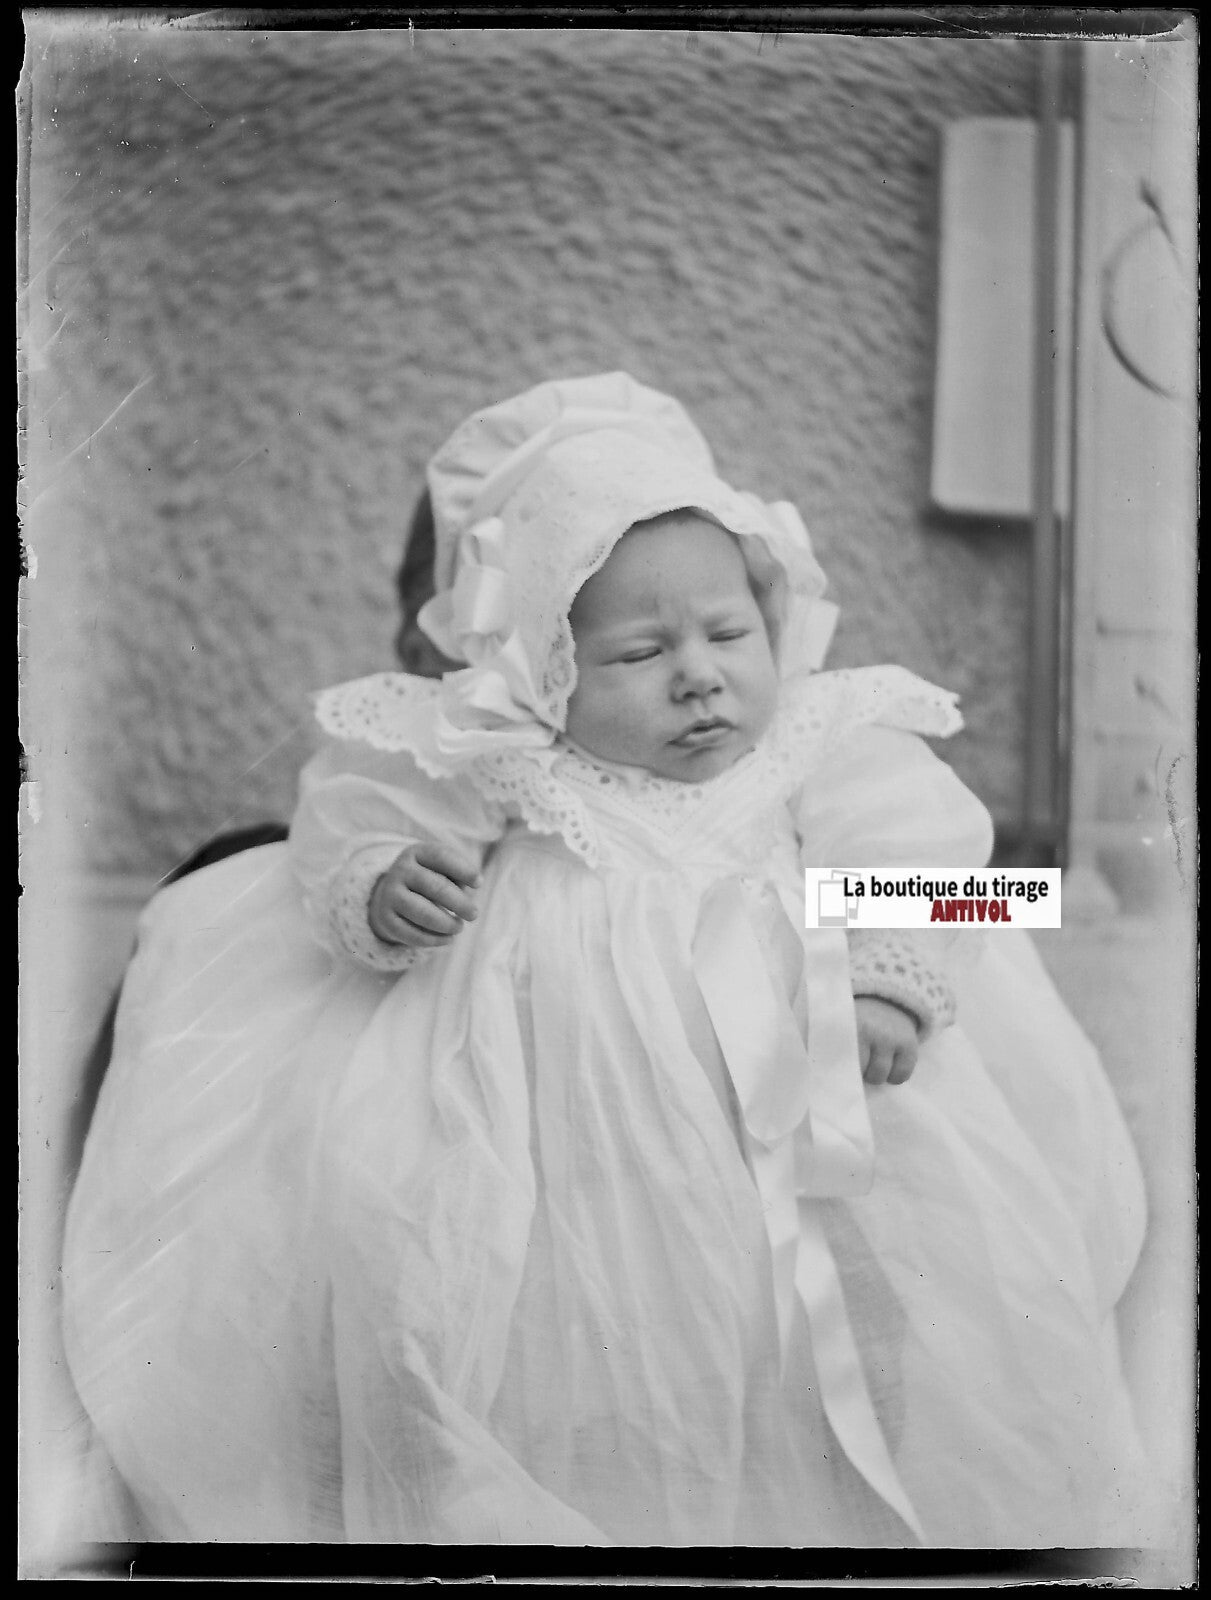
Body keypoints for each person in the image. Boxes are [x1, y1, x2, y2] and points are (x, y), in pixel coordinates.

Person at [61, 372, 1149, 1549]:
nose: (697, 672)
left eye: (728, 631)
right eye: (637, 652)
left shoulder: (814, 741)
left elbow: (933, 851)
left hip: (809, 1098)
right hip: (565, 1126)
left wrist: (888, 969)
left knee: (880, 1297)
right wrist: (382, 879)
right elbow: (354, 803)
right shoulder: (501, 755)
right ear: (543, 669)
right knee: (547, 1319)